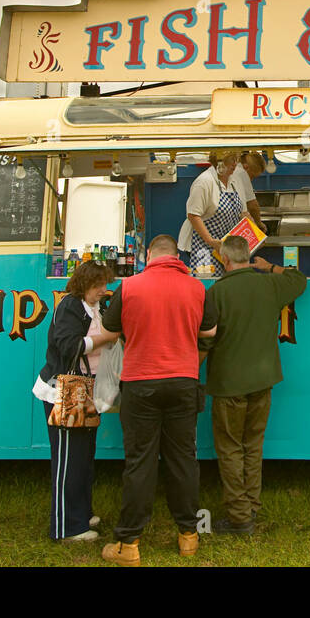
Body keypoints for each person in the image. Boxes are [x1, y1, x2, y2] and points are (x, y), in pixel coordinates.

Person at [97, 235, 217, 566]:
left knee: (140, 462)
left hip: (140, 383)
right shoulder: (197, 288)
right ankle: (188, 537)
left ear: (149, 255)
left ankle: (129, 543)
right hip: (183, 381)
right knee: (183, 460)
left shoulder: (130, 286)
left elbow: (110, 327)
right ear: (176, 256)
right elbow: (209, 332)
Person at [205, 235, 308, 534]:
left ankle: (239, 518)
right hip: (263, 380)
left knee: (230, 448)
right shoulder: (268, 284)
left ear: (224, 259)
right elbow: (299, 280)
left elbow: (205, 338)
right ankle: (251, 506)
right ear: (248, 257)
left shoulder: (216, 292)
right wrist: (270, 267)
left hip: (229, 383)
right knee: (253, 445)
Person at [31, 260, 119, 542]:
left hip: (86, 389)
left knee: (83, 457)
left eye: (105, 285)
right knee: (68, 459)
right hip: (66, 390)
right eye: (97, 286)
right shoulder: (69, 306)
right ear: (83, 285)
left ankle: (80, 513)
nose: (103, 291)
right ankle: (66, 527)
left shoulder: (94, 307)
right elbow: (69, 345)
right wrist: (104, 338)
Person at [178, 150, 244, 277]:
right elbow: (193, 215)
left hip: (226, 248)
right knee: (208, 286)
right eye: (231, 160)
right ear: (219, 161)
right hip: (204, 247)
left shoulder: (234, 181)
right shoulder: (204, 182)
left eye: (237, 160)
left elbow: (243, 212)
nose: (235, 164)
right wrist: (211, 241)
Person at [235, 151, 266, 228]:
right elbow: (252, 205)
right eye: (252, 176)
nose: (251, 180)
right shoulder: (241, 173)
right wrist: (259, 223)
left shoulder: (235, 170)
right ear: (246, 167)